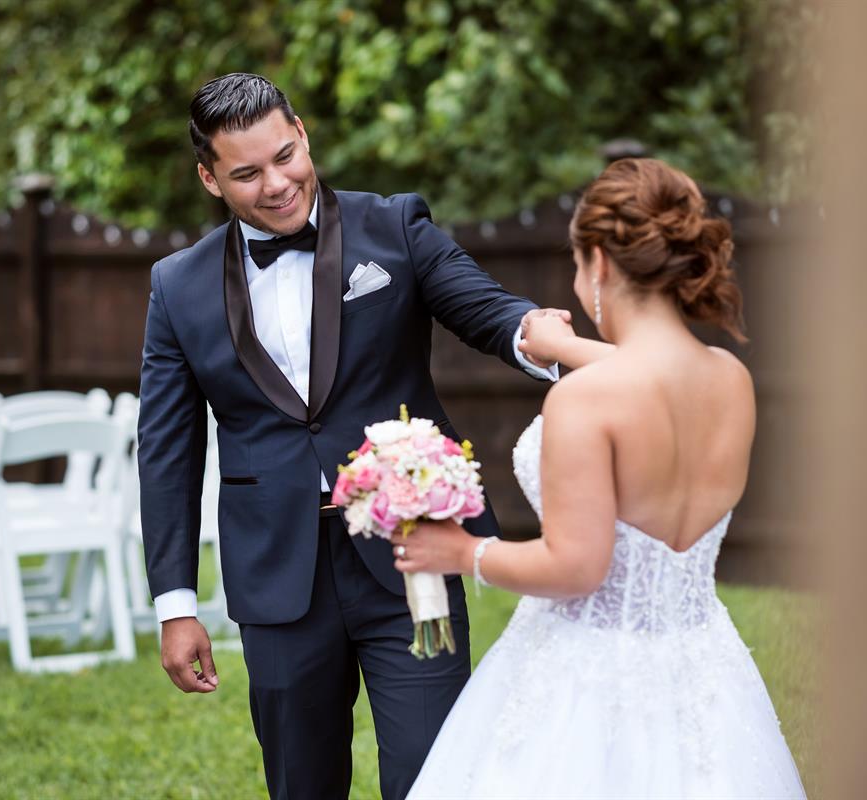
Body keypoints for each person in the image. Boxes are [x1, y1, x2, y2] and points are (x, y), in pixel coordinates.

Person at [136, 72, 566, 800]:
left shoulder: (393, 227)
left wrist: (547, 338)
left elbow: (490, 311)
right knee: (302, 784)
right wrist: (176, 606)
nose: (277, 184)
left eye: (285, 156)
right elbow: (167, 454)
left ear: (302, 134)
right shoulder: (177, 287)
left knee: (431, 778)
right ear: (210, 178)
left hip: (411, 556)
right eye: (247, 173)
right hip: (276, 576)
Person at [398, 158, 807, 798]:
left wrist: (460, 552)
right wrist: (565, 348)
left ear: (600, 265)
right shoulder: (730, 379)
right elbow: (652, 373)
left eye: (576, 263)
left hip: (585, 672)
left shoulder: (586, 401)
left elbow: (576, 568)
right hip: (701, 665)